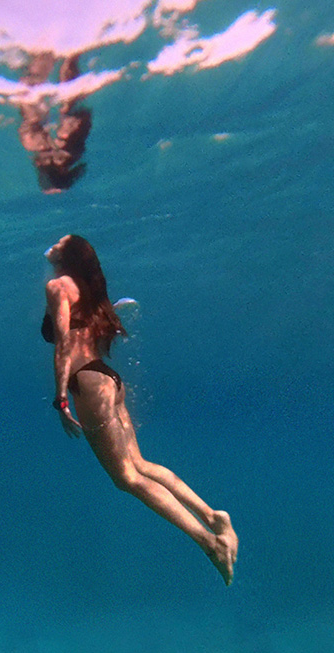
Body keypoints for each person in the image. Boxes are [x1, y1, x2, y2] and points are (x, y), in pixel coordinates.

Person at [43, 235, 239, 585]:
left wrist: (60, 397)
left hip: (88, 384)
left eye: (62, 241)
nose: (54, 243)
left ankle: (210, 544)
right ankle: (214, 517)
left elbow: (64, 342)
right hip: (107, 379)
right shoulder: (88, 290)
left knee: (127, 478)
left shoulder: (59, 285)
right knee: (140, 464)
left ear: (69, 255)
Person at [18, 53, 92, 193]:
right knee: (66, 108)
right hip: (60, 138)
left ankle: (66, 55)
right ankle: (66, 56)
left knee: (66, 107)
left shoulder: (68, 152)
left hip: (60, 138)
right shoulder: (66, 150)